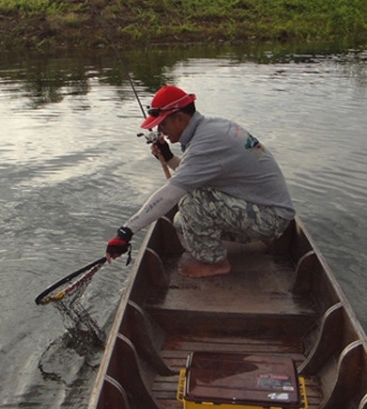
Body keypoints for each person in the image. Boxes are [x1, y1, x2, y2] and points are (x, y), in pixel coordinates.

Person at [106, 85, 295, 278]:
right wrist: (168, 156)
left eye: (162, 124)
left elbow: (171, 194)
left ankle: (216, 263)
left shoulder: (206, 142)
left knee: (190, 202)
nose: (160, 131)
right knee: (181, 222)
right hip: (263, 209)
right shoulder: (212, 127)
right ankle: (221, 247)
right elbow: (192, 175)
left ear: (180, 119)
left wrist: (126, 231)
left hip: (271, 218)